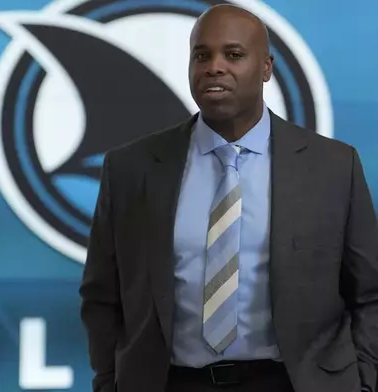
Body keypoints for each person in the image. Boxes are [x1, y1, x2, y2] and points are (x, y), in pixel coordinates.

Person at [79, 4, 378, 392]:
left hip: (292, 382)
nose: (214, 67)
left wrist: (366, 382)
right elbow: (102, 294)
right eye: (201, 55)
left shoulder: (334, 166)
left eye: (233, 55)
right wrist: (108, 382)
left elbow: (369, 294)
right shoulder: (131, 168)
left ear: (267, 68)